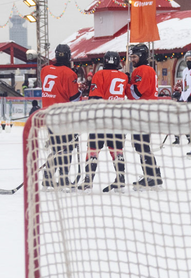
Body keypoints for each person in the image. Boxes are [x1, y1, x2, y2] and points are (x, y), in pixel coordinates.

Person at [77, 51, 129, 192]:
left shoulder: (99, 74)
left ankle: (88, 180)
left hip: (101, 118)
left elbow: (95, 98)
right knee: (117, 150)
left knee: (93, 148)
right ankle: (121, 178)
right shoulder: (124, 76)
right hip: (118, 119)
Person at [40, 43, 82, 187]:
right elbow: (74, 98)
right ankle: (63, 179)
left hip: (49, 115)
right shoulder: (70, 73)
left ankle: (47, 177)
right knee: (67, 148)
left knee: (57, 148)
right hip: (64, 117)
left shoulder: (44, 70)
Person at [127, 43, 163, 188]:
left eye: (134, 57)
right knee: (141, 145)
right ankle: (153, 175)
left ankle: (151, 176)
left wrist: (125, 84)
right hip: (145, 111)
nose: (132, 60)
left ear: (141, 56)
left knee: (141, 145)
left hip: (142, 112)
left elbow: (135, 93)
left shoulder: (143, 70)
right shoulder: (146, 70)